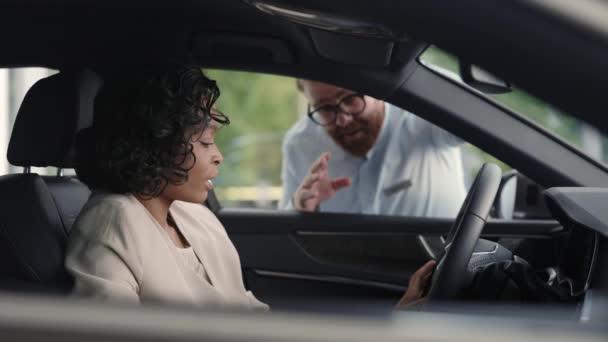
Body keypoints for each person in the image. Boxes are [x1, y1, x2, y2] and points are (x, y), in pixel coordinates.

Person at [65, 65, 434, 311]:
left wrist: (394, 317)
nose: (219, 156)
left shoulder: (196, 218)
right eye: (207, 142)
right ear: (155, 143)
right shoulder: (112, 221)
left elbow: (254, 320)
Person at [279, 80, 467, 217]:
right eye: (324, 108)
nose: (343, 120)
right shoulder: (300, 144)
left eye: (350, 99)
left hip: (442, 264)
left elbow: (471, 112)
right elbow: (285, 231)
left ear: (378, 90)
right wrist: (300, 208)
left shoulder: (421, 116)